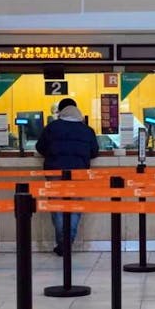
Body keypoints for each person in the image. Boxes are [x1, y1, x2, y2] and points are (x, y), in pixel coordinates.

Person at [35, 98, 99, 255]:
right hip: (78, 173)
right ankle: (67, 243)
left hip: (55, 173)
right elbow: (94, 152)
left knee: (57, 208)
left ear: (60, 111)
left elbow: (40, 148)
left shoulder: (51, 128)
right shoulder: (87, 130)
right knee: (75, 208)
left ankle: (62, 244)